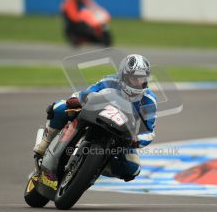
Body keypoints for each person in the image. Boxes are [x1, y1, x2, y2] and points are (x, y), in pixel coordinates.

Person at [33, 54, 157, 182]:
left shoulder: (149, 101)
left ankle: (94, 169)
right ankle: (44, 144)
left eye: (142, 78)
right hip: (96, 117)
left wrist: (137, 140)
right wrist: (77, 99)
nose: (138, 82)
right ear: (124, 75)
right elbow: (88, 92)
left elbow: (149, 132)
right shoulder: (109, 81)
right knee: (59, 108)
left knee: (133, 169)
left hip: (122, 136)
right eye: (134, 78)